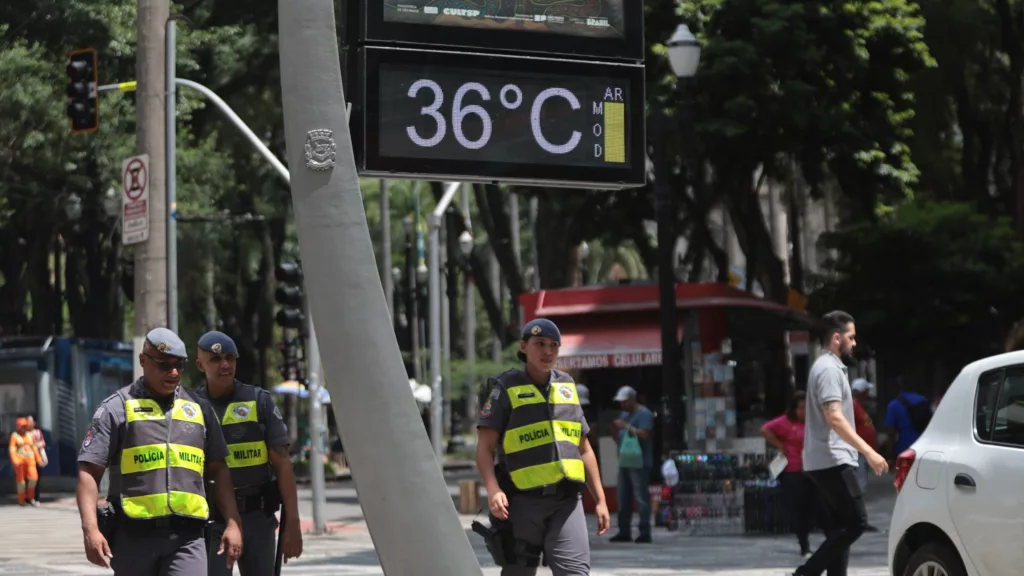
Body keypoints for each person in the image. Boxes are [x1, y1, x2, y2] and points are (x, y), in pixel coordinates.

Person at [76, 327, 244, 575]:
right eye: (164, 365)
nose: (173, 373)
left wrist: (233, 522)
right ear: (143, 360)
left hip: (188, 538)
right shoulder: (117, 409)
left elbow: (219, 469)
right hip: (133, 538)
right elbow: (88, 471)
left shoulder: (199, 409)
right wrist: (90, 529)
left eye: (179, 365)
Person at [475, 318, 610, 576]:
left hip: (567, 501)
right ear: (524, 347)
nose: (548, 352)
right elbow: (484, 448)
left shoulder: (567, 386)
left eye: (554, 346)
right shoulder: (505, 388)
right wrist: (492, 490)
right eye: (540, 344)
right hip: (522, 503)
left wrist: (601, 500)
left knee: (576, 573)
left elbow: (584, 449)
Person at [193, 330, 304, 575]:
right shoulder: (191, 407)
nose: (225, 365)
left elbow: (283, 465)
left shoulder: (259, 401)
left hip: (257, 518)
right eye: (216, 360)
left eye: (230, 358)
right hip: (213, 521)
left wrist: (293, 524)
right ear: (201, 365)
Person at [791, 311, 888, 576]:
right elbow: (834, 417)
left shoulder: (826, 368)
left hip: (823, 459)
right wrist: (869, 452)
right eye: (851, 337)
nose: (855, 343)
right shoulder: (829, 370)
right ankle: (805, 573)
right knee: (857, 522)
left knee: (839, 528)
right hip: (833, 459)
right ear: (837, 338)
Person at [762, 392, 815, 557]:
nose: (804, 411)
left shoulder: (813, 423)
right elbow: (765, 429)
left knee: (813, 507)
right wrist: (779, 445)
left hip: (812, 470)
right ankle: (804, 545)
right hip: (793, 470)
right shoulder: (785, 423)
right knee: (799, 509)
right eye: (801, 408)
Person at [609, 385, 655, 544]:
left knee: (641, 496)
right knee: (623, 496)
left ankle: (644, 531)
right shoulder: (624, 414)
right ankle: (624, 530)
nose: (622, 405)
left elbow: (645, 434)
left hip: (640, 462)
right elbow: (619, 435)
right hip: (625, 460)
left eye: (624, 402)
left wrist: (626, 427)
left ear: (632, 399)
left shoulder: (644, 414)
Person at [883, 377, 932, 461]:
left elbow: (891, 434)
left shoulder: (894, 405)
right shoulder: (924, 401)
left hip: (905, 451)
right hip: (924, 450)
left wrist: (889, 456)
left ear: (898, 388)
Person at [9, 417, 42, 507]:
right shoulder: (14, 436)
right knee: (21, 483)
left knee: (34, 479)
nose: (23, 429)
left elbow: (34, 448)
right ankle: (21, 500)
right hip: (20, 463)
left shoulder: (30, 435)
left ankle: (30, 497)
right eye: (22, 427)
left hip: (31, 462)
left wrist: (38, 459)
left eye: (25, 426)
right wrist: (15, 460)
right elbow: (12, 450)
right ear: (18, 427)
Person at [25, 415, 47, 503]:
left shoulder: (38, 432)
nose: (28, 423)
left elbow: (43, 443)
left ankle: (36, 497)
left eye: (30, 421)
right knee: (28, 479)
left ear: (34, 423)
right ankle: (28, 497)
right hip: (27, 459)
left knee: (37, 478)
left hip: (37, 458)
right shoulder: (24, 433)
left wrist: (37, 445)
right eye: (27, 421)